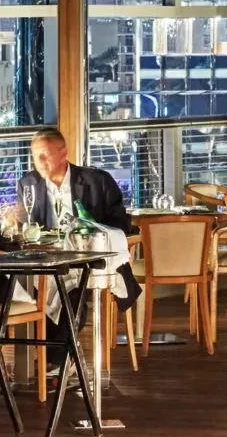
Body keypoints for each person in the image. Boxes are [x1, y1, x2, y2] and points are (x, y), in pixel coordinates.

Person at [12, 126, 138, 305]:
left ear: (64, 153)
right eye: (35, 155)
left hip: (87, 258)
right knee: (25, 285)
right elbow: (28, 229)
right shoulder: (28, 184)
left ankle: (61, 330)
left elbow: (120, 223)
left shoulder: (98, 181)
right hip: (46, 261)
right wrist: (18, 220)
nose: (39, 161)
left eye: (45, 154)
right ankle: (55, 329)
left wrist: (90, 231)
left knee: (69, 286)